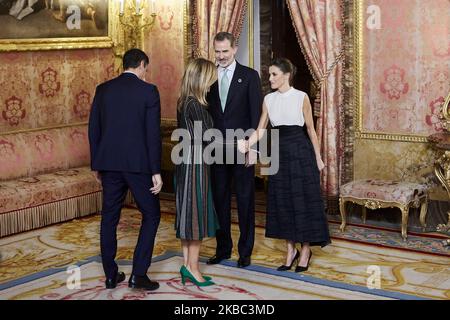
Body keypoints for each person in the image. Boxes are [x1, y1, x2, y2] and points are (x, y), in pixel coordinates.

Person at [238, 58, 331, 272]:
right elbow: (261, 129)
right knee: (283, 201)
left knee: (303, 200)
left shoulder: (302, 97)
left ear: (286, 75)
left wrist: (318, 157)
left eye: (274, 74)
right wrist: (248, 143)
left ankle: (305, 249)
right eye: (269, 74)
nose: (269, 78)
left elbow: (310, 130)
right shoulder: (269, 99)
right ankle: (290, 250)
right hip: (279, 154)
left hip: (301, 152)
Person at [88, 48, 163, 290]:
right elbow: (153, 134)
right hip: (138, 166)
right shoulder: (148, 91)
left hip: (108, 164)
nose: (145, 73)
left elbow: (94, 130)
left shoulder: (103, 89)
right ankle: (138, 274)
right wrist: (156, 171)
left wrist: (96, 165)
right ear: (141, 65)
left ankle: (111, 275)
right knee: (151, 214)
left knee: (109, 218)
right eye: (146, 69)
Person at [206, 32, 263, 268]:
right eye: (217, 52)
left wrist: (253, 148)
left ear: (235, 49)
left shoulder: (249, 76)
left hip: (242, 148)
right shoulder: (208, 76)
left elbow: (256, 116)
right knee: (219, 200)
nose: (220, 56)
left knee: (245, 200)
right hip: (217, 148)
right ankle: (223, 249)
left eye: (225, 52)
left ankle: (245, 251)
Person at [174, 58, 220, 287]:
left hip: (186, 164)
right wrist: (238, 145)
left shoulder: (184, 102)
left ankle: (186, 265)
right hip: (195, 167)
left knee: (187, 215)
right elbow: (210, 139)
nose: (212, 84)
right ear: (201, 79)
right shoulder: (196, 106)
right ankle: (193, 268)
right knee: (195, 218)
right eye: (210, 79)